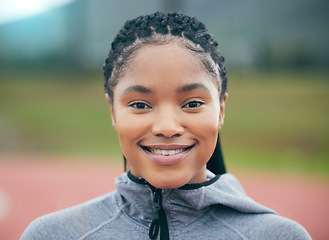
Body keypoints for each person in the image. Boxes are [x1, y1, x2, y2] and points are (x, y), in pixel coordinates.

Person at [21, 12, 311, 240]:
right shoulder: (52, 235)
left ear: (221, 109)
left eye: (193, 103)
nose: (167, 127)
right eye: (140, 105)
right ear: (112, 110)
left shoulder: (281, 236)